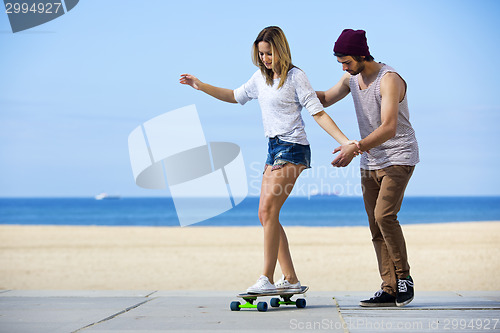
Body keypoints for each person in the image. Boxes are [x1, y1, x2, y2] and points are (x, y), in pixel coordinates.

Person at [180, 26, 358, 294]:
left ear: (281, 50)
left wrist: (345, 142)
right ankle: (291, 280)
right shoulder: (259, 78)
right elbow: (234, 96)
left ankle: (265, 277)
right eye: (261, 53)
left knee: (268, 211)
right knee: (266, 215)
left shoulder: (296, 77)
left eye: (269, 53)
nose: (265, 58)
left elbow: (318, 113)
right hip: (272, 149)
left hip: (293, 147)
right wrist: (200, 85)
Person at [316, 29, 419, 307]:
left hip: (398, 155)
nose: (344, 67)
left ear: (362, 55)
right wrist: (295, 91)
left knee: (385, 215)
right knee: (375, 224)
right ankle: (389, 288)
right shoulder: (351, 77)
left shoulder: (389, 80)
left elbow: (388, 127)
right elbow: (324, 98)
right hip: (370, 160)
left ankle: (404, 279)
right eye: (340, 63)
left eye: (346, 61)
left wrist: (355, 146)